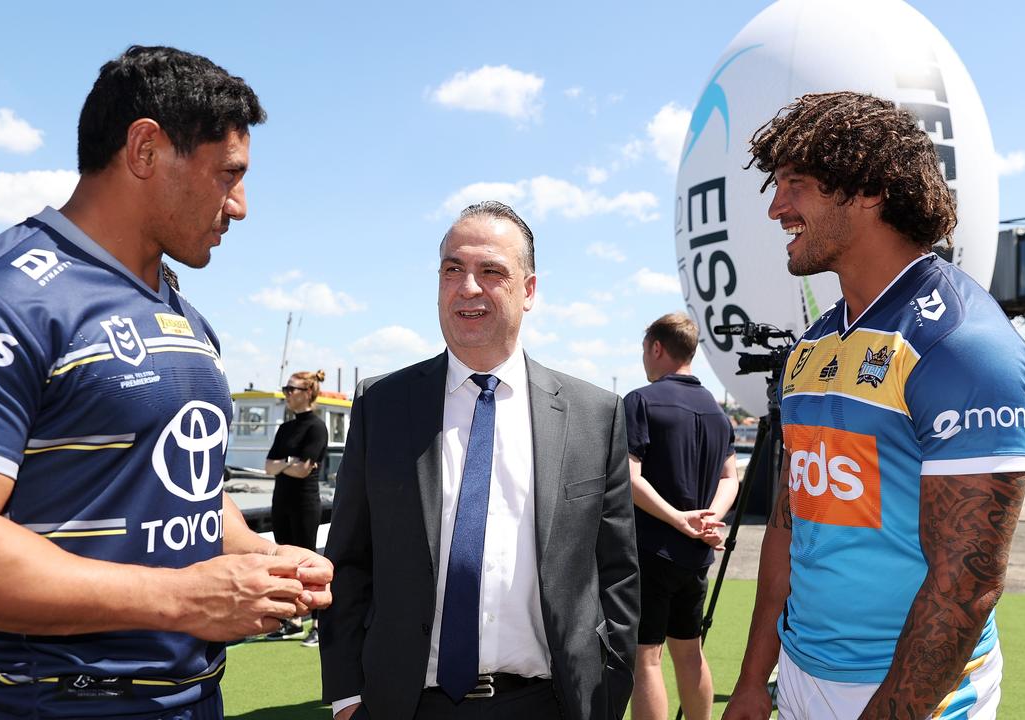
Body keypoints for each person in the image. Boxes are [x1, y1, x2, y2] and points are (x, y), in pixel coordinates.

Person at [0, 46, 332, 720]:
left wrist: (262, 557)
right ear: (145, 149)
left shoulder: (188, 320)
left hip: (197, 698)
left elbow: (190, 492)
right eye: (228, 175)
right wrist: (180, 599)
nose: (241, 206)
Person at [723, 92, 1025, 720]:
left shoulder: (963, 346)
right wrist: (755, 678)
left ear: (868, 190)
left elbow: (966, 586)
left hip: (922, 694)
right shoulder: (813, 343)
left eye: (797, 184)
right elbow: (789, 525)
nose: (775, 207)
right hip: (801, 676)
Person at [320, 201, 639, 720]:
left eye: (491, 271)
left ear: (528, 290)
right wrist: (347, 695)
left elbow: (618, 574)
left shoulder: (593, 415)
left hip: (550, 704)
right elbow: (349, 559)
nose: (468, 287)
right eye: (453, 270)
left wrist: (605, 694)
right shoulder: (382, 405)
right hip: (406, 706)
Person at [624, 312, 738, 720]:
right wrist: (708, 520)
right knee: (690, 653)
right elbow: (731, 477)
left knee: (647, 658)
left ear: (657, 348)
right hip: (694, 557)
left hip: (651, 552)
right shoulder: (715, 411)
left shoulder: (640, 400)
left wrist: (677, 518)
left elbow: (630, 477)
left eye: (644, 351)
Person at [264, 369, 329, 646]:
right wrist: (290, 462)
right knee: (284, 563)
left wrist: (285, 464)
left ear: (308, 394)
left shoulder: (316, 427)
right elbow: (269, 467)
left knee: (307, 560)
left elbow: (304, 471)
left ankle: (318, 624)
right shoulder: (285, 428)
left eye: (292, 390)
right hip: (282, 501)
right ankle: (290, 621)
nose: (287, 394)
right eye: (286, 389)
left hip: (304, 502)